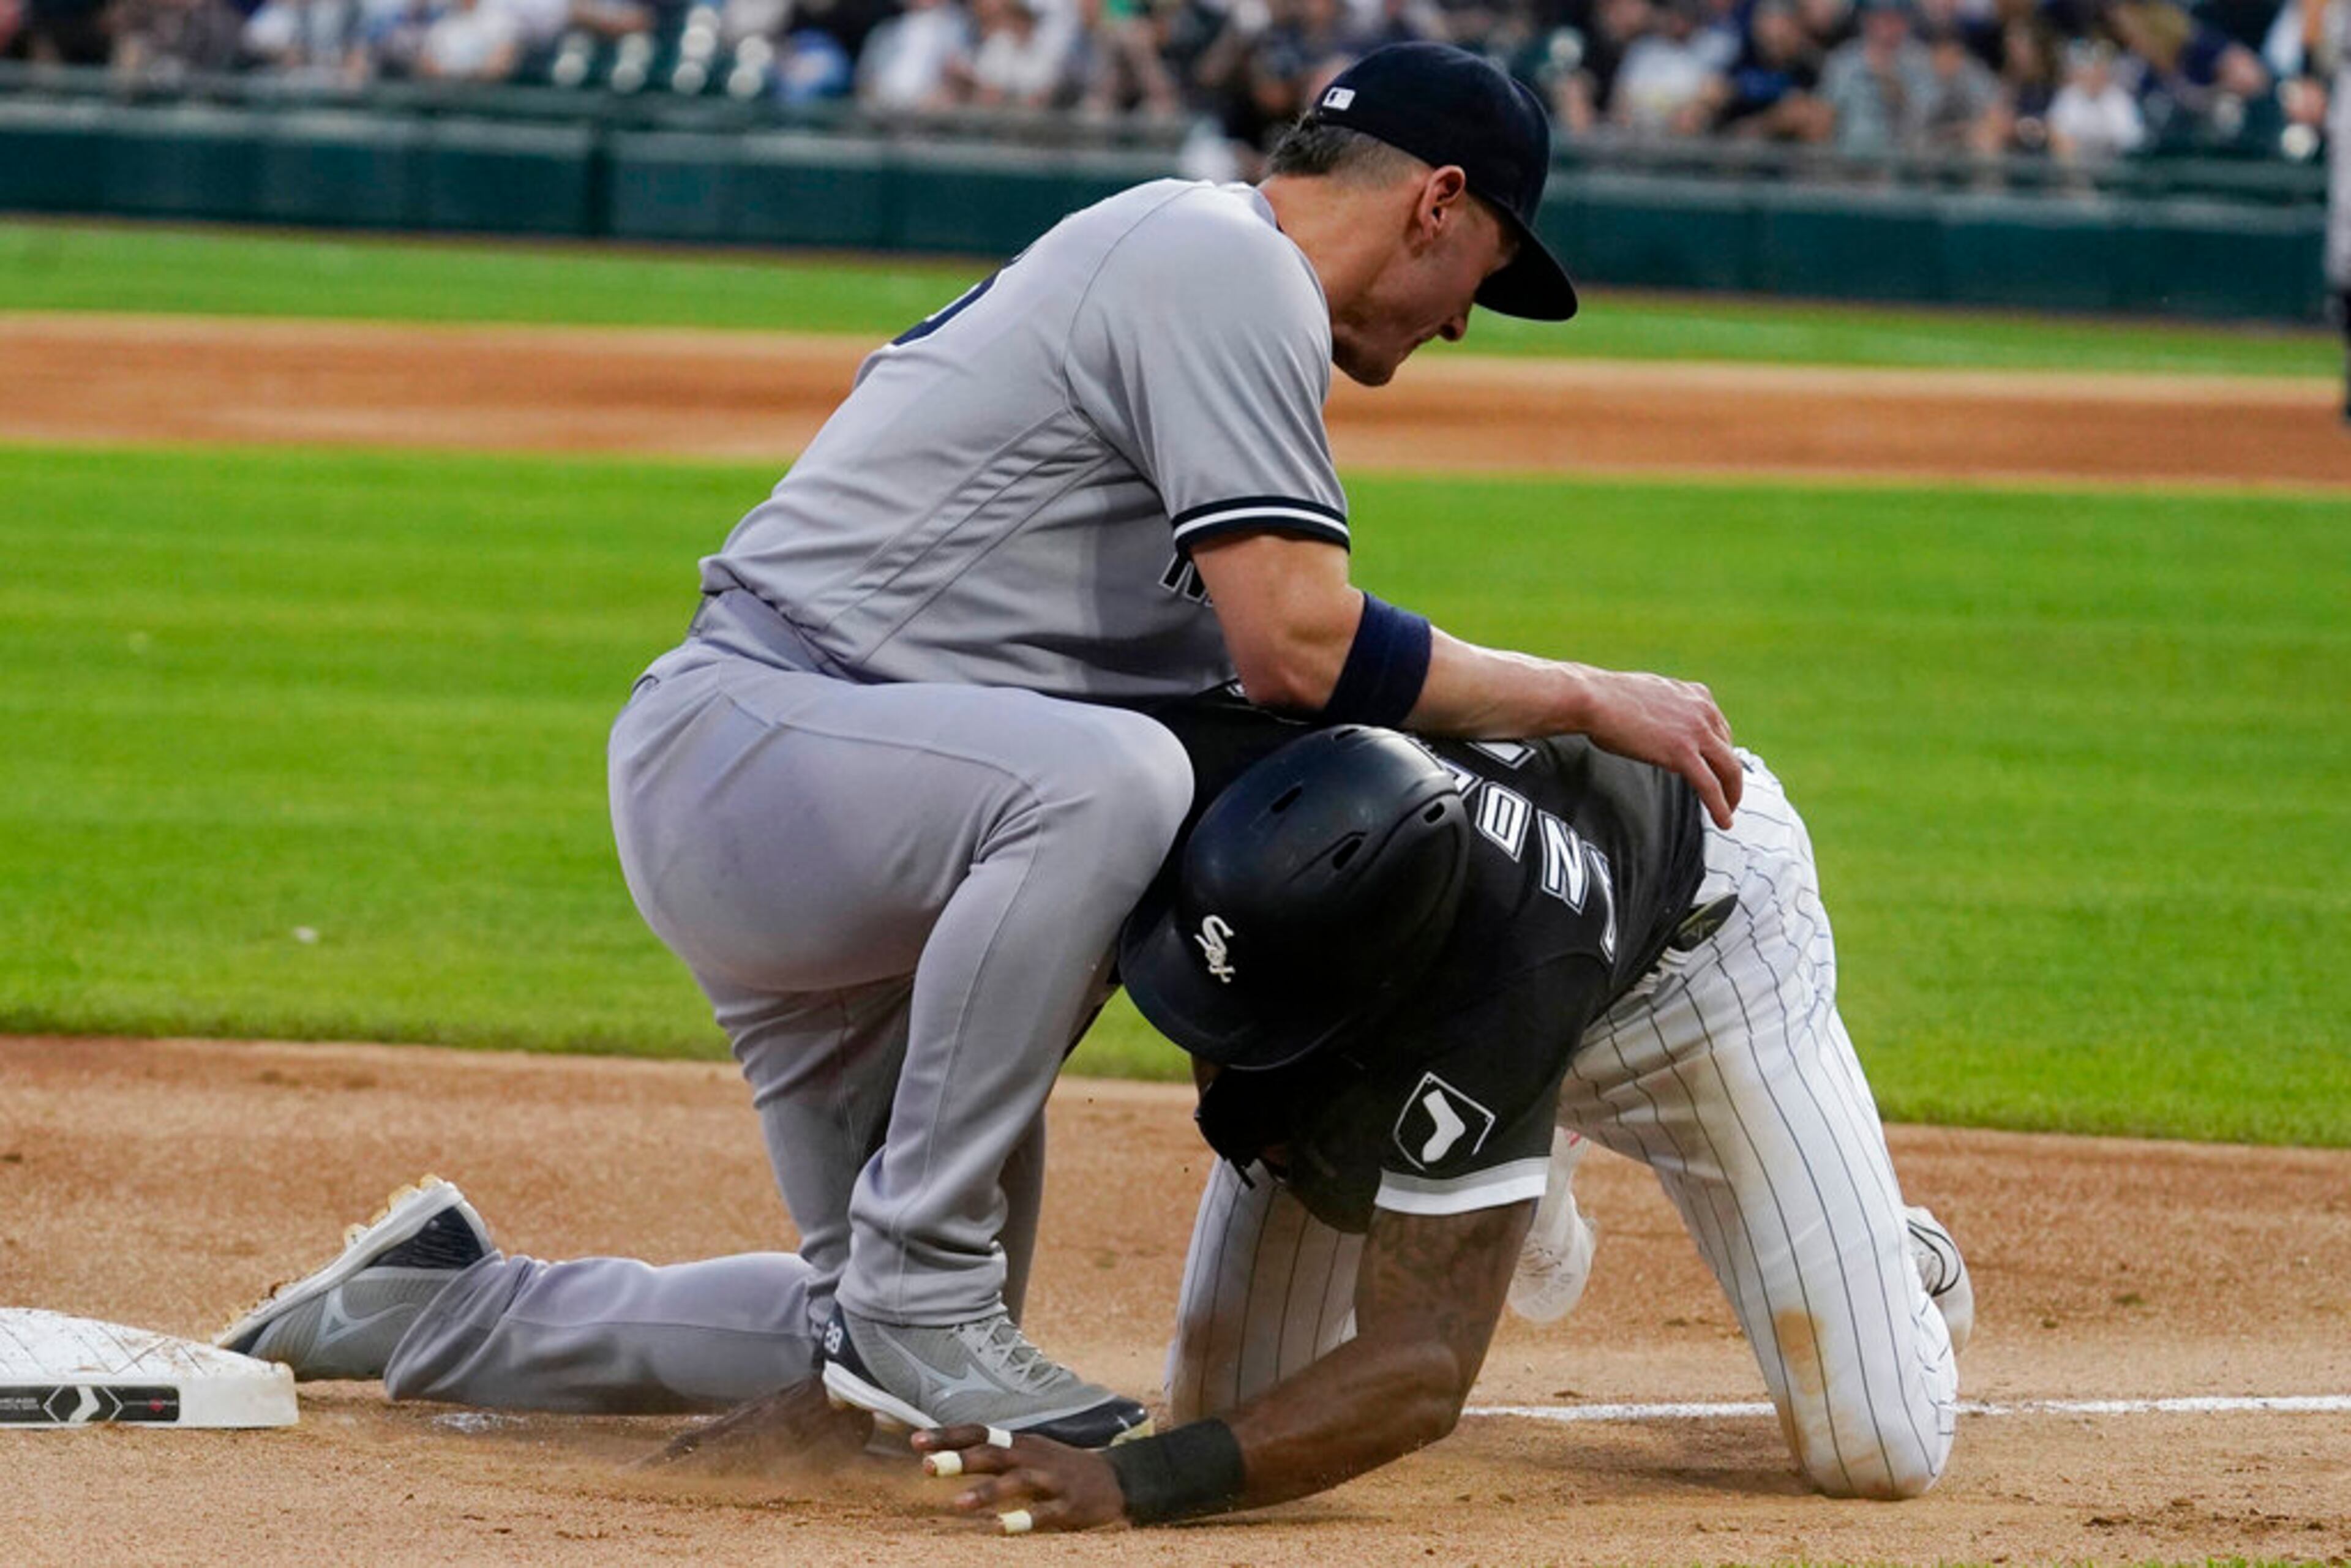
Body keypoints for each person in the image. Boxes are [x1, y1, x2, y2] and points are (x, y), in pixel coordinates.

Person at [217, 40, 1742, 1450]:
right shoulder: (1226, 265)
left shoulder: (1204, 293)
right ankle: (918, 1292)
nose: (1469, 314)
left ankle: (436, 1303)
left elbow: (1271, 677)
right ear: (1437, 202)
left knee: (856, 1334)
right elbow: (1303, 647)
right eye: (1486, 268)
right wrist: (1588, 697)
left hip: (857, 805)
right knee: (1115, 785)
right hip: (763, 744)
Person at [915, 704, 1971, 1528]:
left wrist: (1130, 1482)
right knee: (1227, 1398)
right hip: (1454, 971)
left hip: (1699, 969)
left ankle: (1894, 1253)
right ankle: (1507, 1149)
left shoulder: (1513, 973)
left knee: (1876, 1446)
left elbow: (1422, 1370)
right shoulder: (1219, 776)